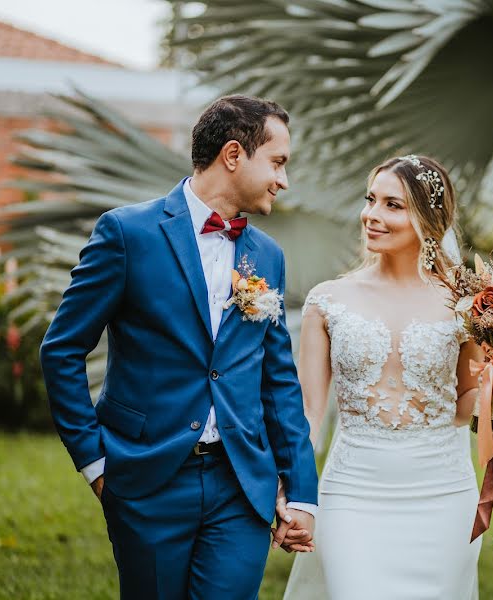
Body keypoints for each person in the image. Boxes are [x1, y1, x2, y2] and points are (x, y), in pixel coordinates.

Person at [40, 94, 318, 600]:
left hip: (241, 485)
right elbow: (61, 349)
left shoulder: (267, 255)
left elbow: (278, 380)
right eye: (277, 163)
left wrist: (300, 492)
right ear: (234, 156)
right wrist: (96, 465)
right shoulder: (127, 233)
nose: (284, 180)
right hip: (145, 480)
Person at [283, 155, 483, 599]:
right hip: (353, 492)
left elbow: (467, 402)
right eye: (371, 200)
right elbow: (308, 412)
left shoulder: (467, 305)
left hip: (444, 495)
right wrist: (294, 492)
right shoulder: (328, 301)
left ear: (429, 220)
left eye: (393, 205)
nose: (372, 215)